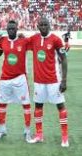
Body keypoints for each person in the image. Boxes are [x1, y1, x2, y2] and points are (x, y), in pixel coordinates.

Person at [28, 18, 69, 147]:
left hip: (53, 80)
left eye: (46, 25)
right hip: (39, 81)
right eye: (41, 25)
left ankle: (65, 137)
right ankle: (39, 135)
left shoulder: (56, 39)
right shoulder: (34, 38)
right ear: (38, 26)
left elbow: (64, 59)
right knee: (38, 107)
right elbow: (23, 43)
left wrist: (64, 80)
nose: (44, 27)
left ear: (49, 26)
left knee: (60, 107)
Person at [0, 20, 31, 141]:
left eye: (13, 28)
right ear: (7, 30)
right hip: (5, 78)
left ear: (17, 29)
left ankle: (27, 131)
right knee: (2, 103)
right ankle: (2, 129)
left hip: (20, 78)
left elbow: (35, 45)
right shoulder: (3, 41)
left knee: (26, 104)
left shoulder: (24, 41)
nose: (11, 30)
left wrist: (24, 36)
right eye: (9, 28)